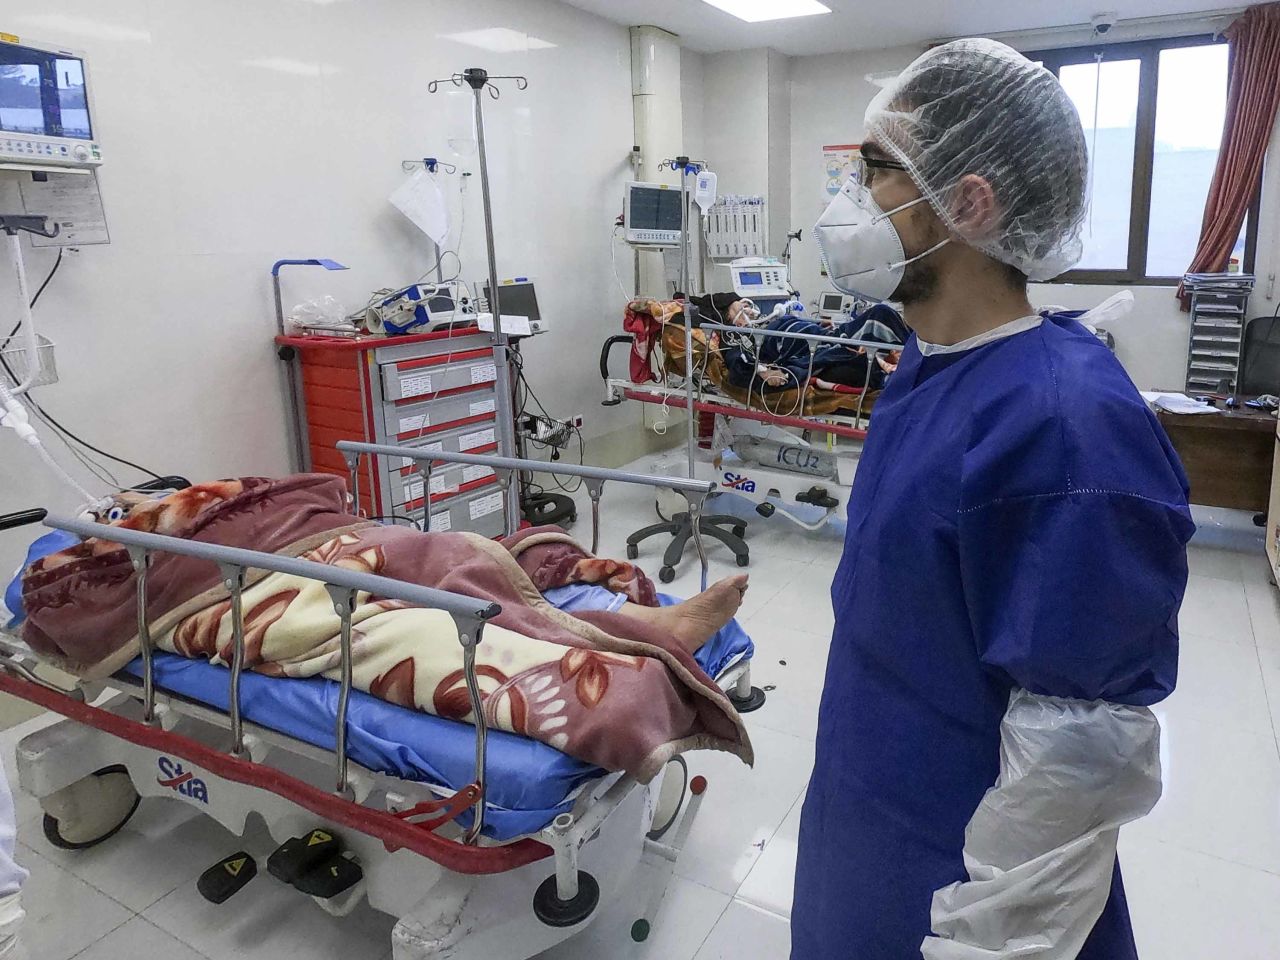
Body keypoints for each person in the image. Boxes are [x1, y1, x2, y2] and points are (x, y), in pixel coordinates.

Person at [796, 38, 1194, 959]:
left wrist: (986, 943)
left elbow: (1078, 759)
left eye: (873, 176)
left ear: (968, 203)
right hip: (865, 812)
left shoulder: (1064, 429)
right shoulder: (926, 367)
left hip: (959, 888)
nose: (845, 206)